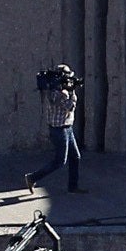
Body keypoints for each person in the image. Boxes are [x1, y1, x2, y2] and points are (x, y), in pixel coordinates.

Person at [29, 65, 84, 194]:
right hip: (59, 130)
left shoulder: (57, 90)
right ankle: (32, 178)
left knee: (75, 157)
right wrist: (72, 94)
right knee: (60, 161)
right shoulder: (57, 93)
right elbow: (70, 107)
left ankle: (73, 187)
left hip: (67, 127)